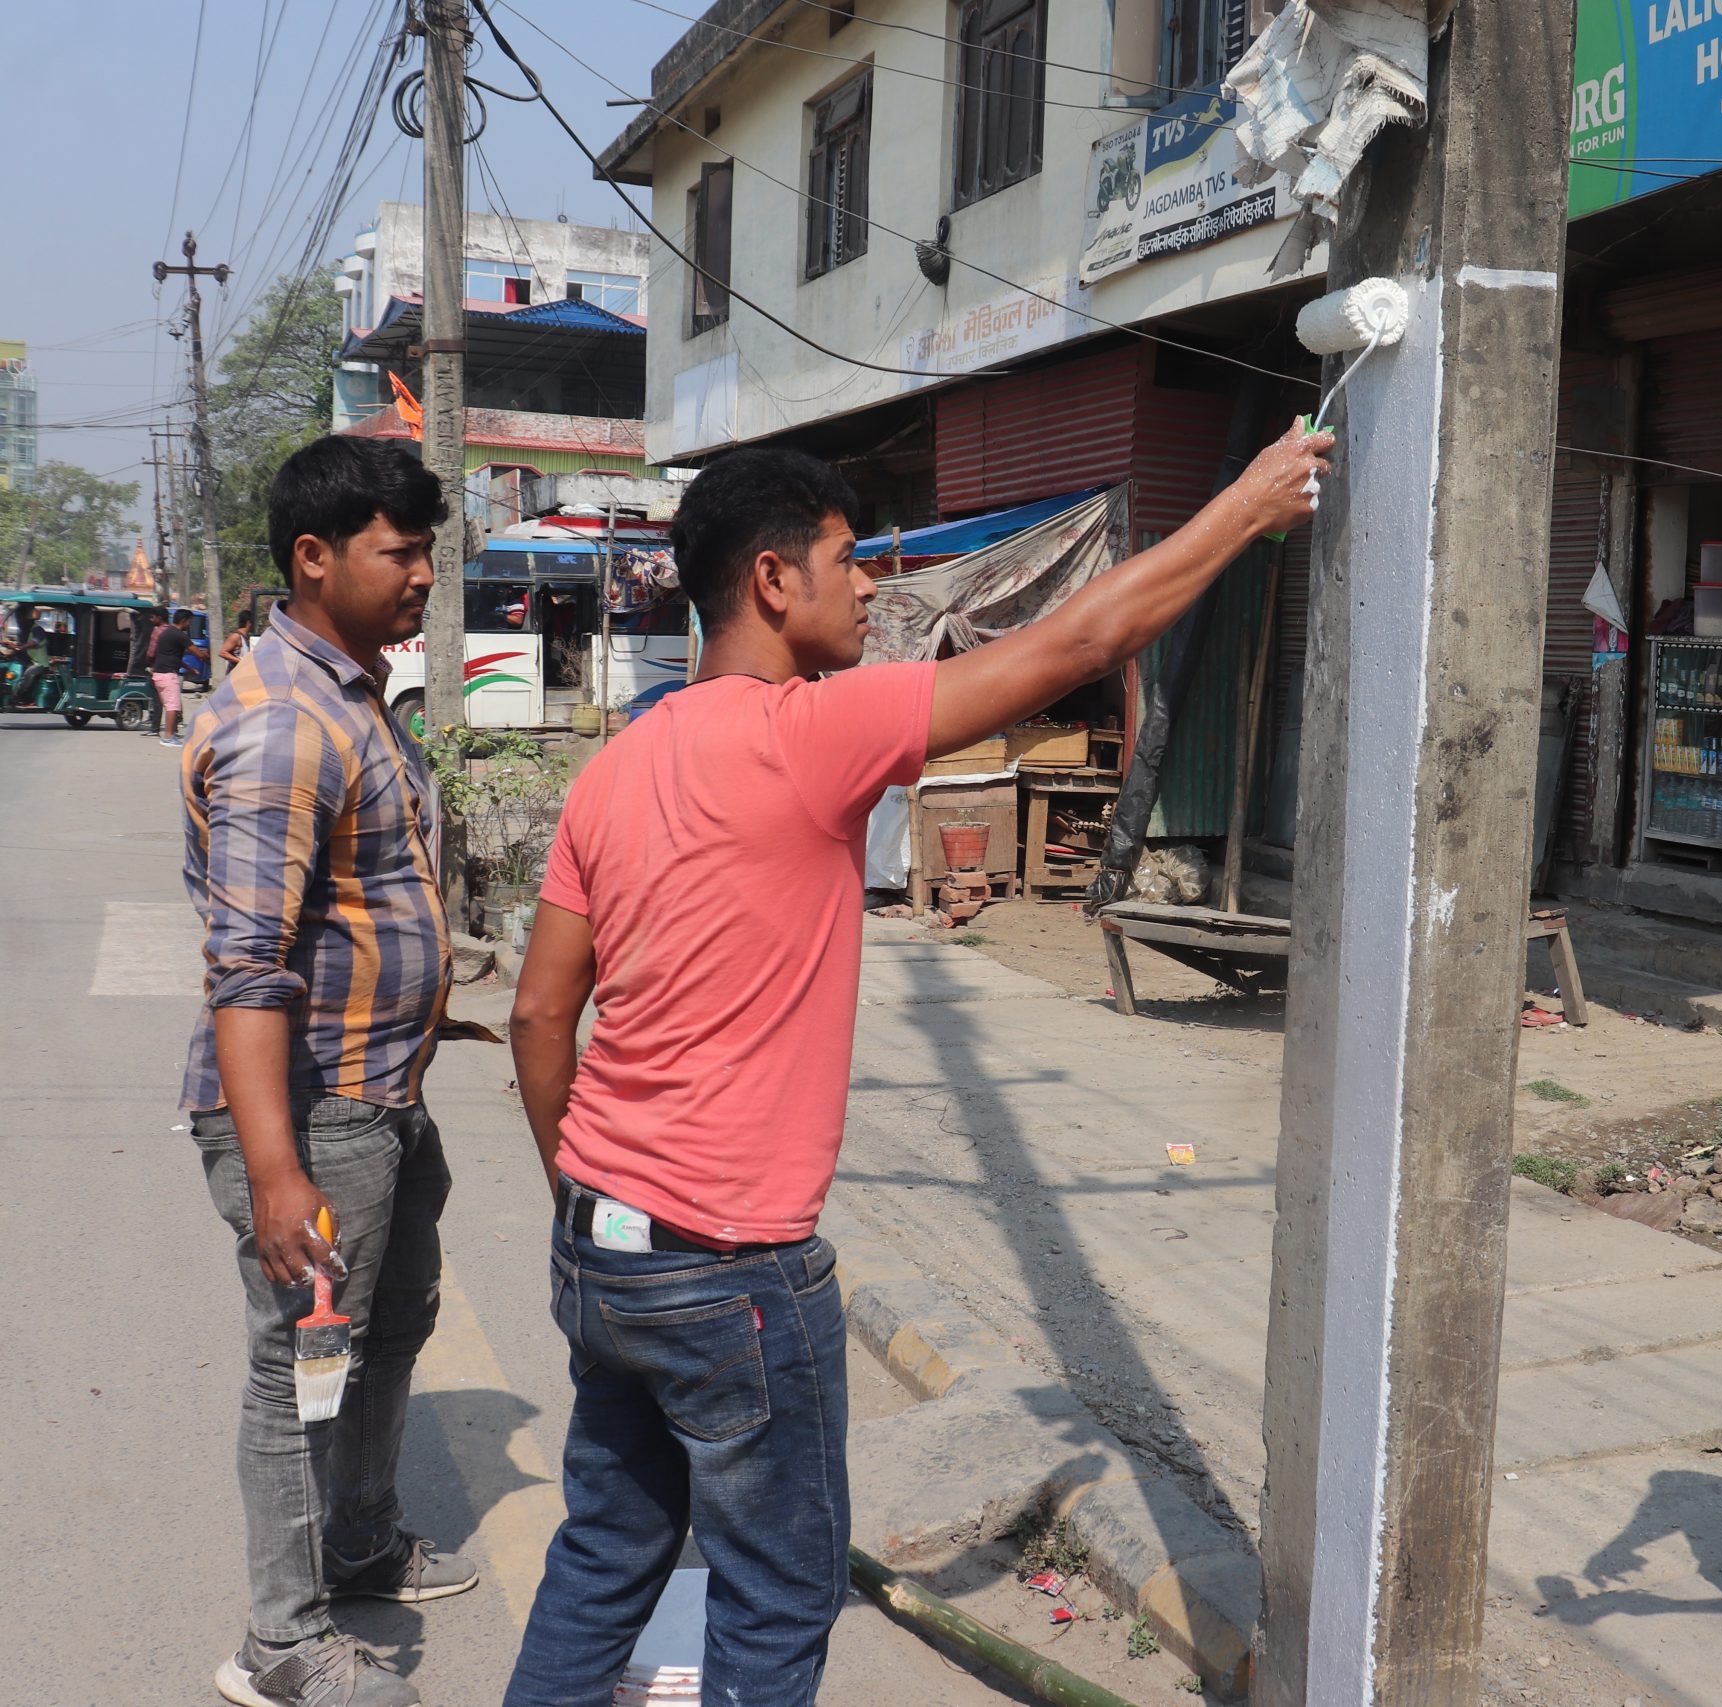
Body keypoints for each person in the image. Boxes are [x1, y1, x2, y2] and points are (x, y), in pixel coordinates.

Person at [500, 425, 1332, 1703]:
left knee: (608, 1550)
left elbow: (540, 1016)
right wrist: (1241, 510)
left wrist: (585, 1192)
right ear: (773, 583)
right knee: (773, 1601)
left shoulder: (616, 768)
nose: (873, 587)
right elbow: (1075, 645)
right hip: (731, 1270)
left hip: (602, 1248)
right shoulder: (806, 731)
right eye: (848, 561)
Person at [183, 435, 478, 1707]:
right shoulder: (285, 726)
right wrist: (274, 1169)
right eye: (398, 552)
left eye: (424, 551)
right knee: (299, 1363)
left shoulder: (348, 692)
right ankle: (282, 1644)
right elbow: (248, 969)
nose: (422, 577)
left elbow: (356, 908)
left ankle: (359, 1540)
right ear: (315, 559)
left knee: (391, 1325)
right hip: (315, 1114)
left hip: (379, 1094)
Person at [146, 605, 191, 744]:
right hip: (169, 672)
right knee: (172, 704)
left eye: (152, 617)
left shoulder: (158, 632)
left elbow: (151, 653)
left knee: (163, 702)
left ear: (159, 618)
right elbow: (175, 656)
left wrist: (150, 663)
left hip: (159, 670)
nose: (151, 620)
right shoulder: (173, 632)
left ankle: (160, 730)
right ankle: (170, 733)